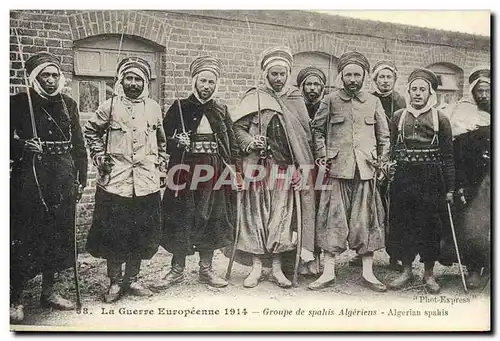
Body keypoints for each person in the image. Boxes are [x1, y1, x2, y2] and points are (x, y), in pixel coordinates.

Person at [229, 46, 316, 288]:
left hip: (284, 170)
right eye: (273, 74)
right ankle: (256, 268)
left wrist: (300, 168)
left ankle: (277, 268)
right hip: (258, 168)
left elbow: (303, 140)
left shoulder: (295, 99)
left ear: (288, 74)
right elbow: (237, 128)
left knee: (280, 218)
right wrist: (250, 142)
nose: (278, 79)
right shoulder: (254, 97)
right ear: (266, 75)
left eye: (282, 74)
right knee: (256, 217)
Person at [10, 52, 88, 322]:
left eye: (55, 75)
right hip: (31, 177)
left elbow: (79, 144)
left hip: (63, 176)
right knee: (26, 235)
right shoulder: (20, 103)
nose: (52, 80)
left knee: (57, 234)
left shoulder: (68, 104)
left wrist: (81, 178)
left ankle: (49, 291)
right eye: (46, 75)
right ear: (35, 78)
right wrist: (20, 146)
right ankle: (15, 297)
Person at [84, 57, 167, 303]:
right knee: (115, 233)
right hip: (115, 182)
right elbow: (90, 131)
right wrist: (99, 154)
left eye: (138, 79)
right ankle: (115, 282)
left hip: (145, 182)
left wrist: (161, 163)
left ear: (145, 82)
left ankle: (132, 279)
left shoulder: (153, 108)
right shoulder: (109, 106)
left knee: (140, 232)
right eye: (128, 78)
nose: (133, 83)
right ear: (121, 81)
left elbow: (161, 141)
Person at [153, 56, 239, 290]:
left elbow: (231, 144)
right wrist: (176, 141)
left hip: (213, 172)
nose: (207, 86)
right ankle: (176, 270)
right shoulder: (180, 107)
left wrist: (234, 170)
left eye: (211, 82)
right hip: (184, 170)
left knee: (211, 217)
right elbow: (161, 142)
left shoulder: (220, 110)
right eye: (203, 81)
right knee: (182, 217)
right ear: (195, 81)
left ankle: (206, 270)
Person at [310, 51, 390, 292]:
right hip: (337, 170)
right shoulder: (330, 100)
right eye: (348, 75)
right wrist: (322, 155)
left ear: (364, 76)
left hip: (365, 171)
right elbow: (317, 131)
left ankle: (368, 273)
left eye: (357, 74)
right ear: (341, 77)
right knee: (332, 220)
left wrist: (382, 161)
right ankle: (328, 273)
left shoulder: (373, 102)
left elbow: (384, 136)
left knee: (365, 220)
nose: (353, 79)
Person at [386, 69, 455, 294]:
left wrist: (450, 188)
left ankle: (428, 273)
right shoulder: (398, 116)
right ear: (408, 91)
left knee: (430, 226)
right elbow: (390, 149)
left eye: (422, 90)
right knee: (403, 223)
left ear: (430, 93)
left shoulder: (440, 118)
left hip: (431, 179)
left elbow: (448, 157)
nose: (417, 94)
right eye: (413, 89)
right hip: (404, 178)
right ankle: (406, 271)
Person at [350, 60, 407, 270]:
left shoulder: (401, 101)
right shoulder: (367, 100)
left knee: (394, 209)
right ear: (374, 79)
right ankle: (364, 252)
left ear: (394, 79)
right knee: (369, 209)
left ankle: (396, 255)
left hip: (395, 161)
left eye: (388, 77)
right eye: (381, 77)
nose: (385, 81)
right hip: (371, 162)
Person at [440, 66, 491, 289]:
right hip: (475, 178)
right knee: (474, 224)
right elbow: (457, 149)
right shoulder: (462, 114)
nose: (483, 95)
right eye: (479, 90)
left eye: (488, 90)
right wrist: (459, 183)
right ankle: (474, 267)